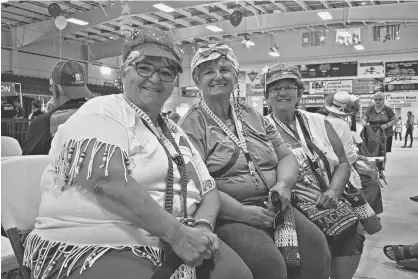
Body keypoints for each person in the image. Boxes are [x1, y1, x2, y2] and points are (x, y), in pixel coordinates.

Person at [23, 28, 252, 279]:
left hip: (169, 237)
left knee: (238, 273)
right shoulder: (102, 110)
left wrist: (202, 226)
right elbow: (107, 182)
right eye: (144, 67)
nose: (155, 78)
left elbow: (208, 189)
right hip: (95, 244)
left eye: (166, 72)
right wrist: (177, 234)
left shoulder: (173, 130)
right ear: (124, 72)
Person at [179, 44, 330, 279]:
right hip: (229, 212)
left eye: (225, 70)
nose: (218, 76)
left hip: (274, 204)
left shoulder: (252, 115)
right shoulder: (192, 124)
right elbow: (198, 183)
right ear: (197, 81)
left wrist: (284, 185)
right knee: (268, 264)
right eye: (208, 72)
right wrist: (242, 212)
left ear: (235, 77)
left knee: (316, 248)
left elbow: (287, 156)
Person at [263, 63, 364, 279]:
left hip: (327, 196)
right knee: (308, 242)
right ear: (266, 96)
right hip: (289, 202)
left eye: (289, 86)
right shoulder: (260, 128)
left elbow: (344, 163)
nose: (282, 92)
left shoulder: (319, 122)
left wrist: (334, 191)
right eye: (275, 88)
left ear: (299, 92)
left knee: (352, 231)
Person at [324, 92, 383, 214]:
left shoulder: (323, 120)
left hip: (324, 164)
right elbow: (349, 156)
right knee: (372, 183)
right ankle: (364, 215)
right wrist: (360, 157)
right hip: (338, 167)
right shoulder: (343, 124)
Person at [21, 60, 92, 155]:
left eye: (51, 87)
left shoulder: (42, 123)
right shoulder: (101, 115)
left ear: (56, 89)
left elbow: (26, 164)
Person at [361, 92, 397, 173]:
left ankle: (381, 170)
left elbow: (395, 120)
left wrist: (387, 125)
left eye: (380, 99)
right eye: (376, 99)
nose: (377, 101)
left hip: (385, 134)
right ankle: (372, 168)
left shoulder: (387, 109)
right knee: (371, 151)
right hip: (371, 134)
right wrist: (364, 123)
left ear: (383, 100)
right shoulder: (371, 109)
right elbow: (364, 119)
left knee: (383, 152)